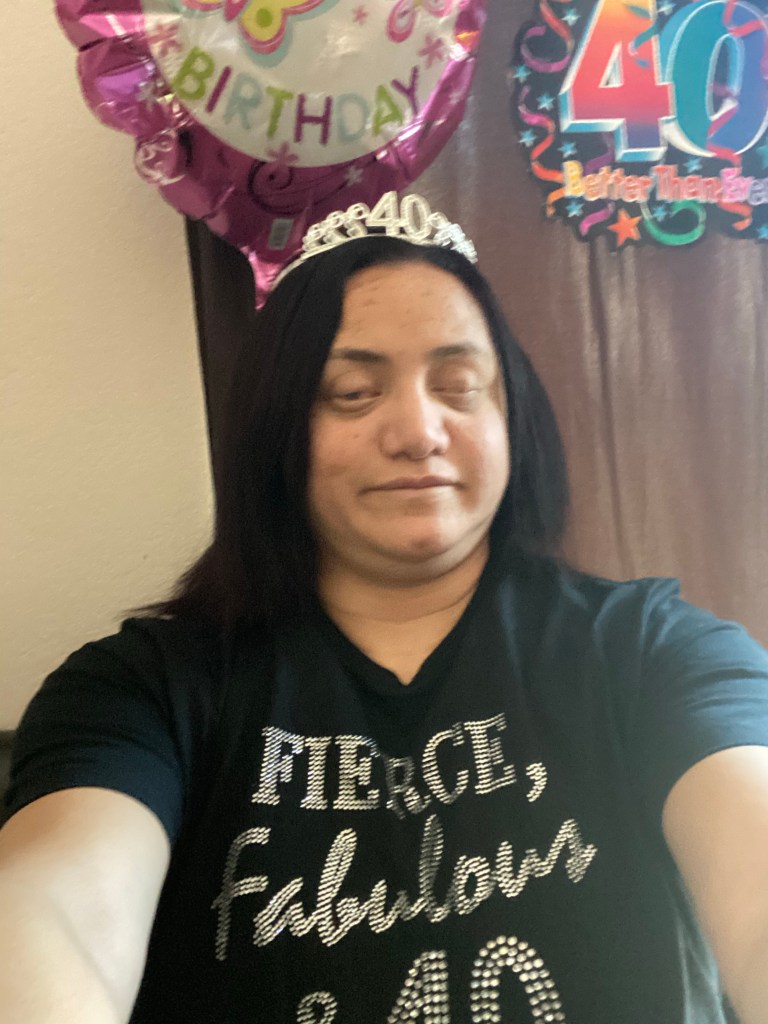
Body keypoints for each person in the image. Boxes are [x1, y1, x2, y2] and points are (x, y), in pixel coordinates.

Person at [2, 192, 768, 1024]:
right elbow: (57, 912)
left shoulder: (650, 650)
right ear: (277, 430)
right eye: (354, 394)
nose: (418, 430)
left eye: (460, 386)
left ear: (513, 419)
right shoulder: (142, 691)